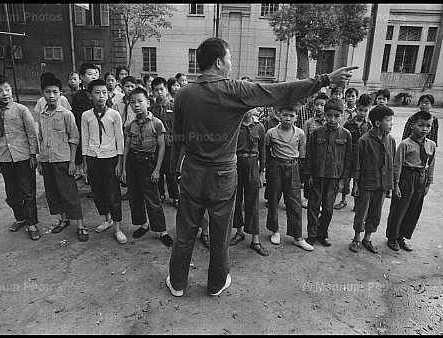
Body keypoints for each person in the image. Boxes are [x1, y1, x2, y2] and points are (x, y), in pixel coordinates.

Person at [166, 37, 357, 297]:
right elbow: (280, 91)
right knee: (221, 231)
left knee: (186, 229)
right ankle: (216, 283)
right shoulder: (235, 90)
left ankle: (177, 283)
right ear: (219, 62)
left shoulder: (184, 93)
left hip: (192, 171)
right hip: (223, 173)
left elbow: (177, 137)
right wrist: (325, 80)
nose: (231, 64)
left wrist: (176, 169)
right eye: (230, 58)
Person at [0, 73, 40, 240]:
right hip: (4, 158)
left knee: (27, 192)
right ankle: (21, 217)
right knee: (12, 195)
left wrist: (33, 155)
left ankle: (32, 224)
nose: (5, 93)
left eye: (7, 89)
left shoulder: (21, 109)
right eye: (0, 90)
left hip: (23, 157)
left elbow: (32, 133)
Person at [36, 76, 89, 242]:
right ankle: (64, 219)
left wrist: (73, 162)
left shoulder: (67, 114)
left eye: (55, 92)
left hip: (64, 160)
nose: (51, 95)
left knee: (70, 193)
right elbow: (42, 138)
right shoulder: (42, 115)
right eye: (48, 92)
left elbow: (74, 139)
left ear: (60, 94)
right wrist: (40, 159)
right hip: (47, 159)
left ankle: (81, 225)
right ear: (42, 93)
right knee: (53, 193)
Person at [121, 87, 174, 247]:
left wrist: (157, 169)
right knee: (135, 198)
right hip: (133, 163)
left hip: (149, 163)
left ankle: (162, 231)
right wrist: (123, 168)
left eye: (140, 101)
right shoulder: (130, 125)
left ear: (148, 103)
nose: (136, 105)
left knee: (153, 199)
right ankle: (144, 224)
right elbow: (127, 147)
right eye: (132, 102)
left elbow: (162, 147)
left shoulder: (157, 123)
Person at [81, 79, 126, 244]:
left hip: (110, 158)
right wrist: (85, 162)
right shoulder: (86, 116)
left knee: (113, 193)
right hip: (93, 158)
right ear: (90, 95)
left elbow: (120, 139)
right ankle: (107, 219)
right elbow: (84, 138)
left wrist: (120, 163)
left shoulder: (114, 115)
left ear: (108, 95)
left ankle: (118, 228)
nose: (101, 96)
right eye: (97, 93)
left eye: (104, 93)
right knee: (98, 192)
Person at [305, 97, 352, 248]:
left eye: (336, 116)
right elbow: (309, 155)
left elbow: (348, 158)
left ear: (342, 115)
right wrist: (309, 175)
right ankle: (312, 234)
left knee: (328, 208)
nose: (332, 119)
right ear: (324, 115)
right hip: (317, 175)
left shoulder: (346, 135)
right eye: (329, 115)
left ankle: (322, 233)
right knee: (313, 206)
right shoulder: (316, 133)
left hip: (334, 177)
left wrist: (344, 179)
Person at [386, 111, 436, 252]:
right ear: (412, 125)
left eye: (428, 126)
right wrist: (395, 185)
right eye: (421, 125)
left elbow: (431, 165)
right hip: (406, 177)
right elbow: (397, 166)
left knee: (413, 209)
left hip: (421, 178)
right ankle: (392, 237)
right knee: (399, 208)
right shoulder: (405, 145)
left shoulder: (431, 145)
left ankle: (402, 237)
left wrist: (428, 183)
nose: (424, 129)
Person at [265, 106, 313, 251]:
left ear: (296, 117)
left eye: (291, 116)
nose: (288, 118)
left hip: (293, 167)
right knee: (273, 200)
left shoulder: (300, 133)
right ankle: (275, 231)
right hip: (276, 166)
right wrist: (268, 170)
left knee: (294, 203)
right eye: (285, 115)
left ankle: (297, 237)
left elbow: (303, 154)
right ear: (279, 115)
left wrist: (302, 174)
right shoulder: (271, 132)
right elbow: (266, 152)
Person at [349, 105, 395, 254]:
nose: (391, 123)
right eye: (388, 120)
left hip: (382, 185)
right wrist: (355, 184)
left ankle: (367, 238)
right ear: (377, 123)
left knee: (375, 213)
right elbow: (356, 165)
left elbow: (391, 164)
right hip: (366, 184)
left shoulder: (391, 141)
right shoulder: (364, 141)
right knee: (362, 212)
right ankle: (356, 238)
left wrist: (390, 185)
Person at [229, 107, 269, 256]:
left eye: (250, 106)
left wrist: (261, 173)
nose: (246, 110)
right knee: (236, 200)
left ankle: (255, 240)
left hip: (253, 163)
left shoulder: (259, 127)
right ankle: (239, 232)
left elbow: (263, 151)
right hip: (236, 164)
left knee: (253, 203)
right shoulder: (235, 125)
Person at [335, 93, 373, 211]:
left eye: (365, 111)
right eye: (360, 110)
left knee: (359, 180)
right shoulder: (349, 123)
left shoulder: (369, 125)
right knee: (345, 178)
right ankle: (343, 200)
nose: (362, 113)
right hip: (350, 155)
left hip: (362, 157)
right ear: (356, 108)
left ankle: (357, 202)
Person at [150, 77, 180, 207]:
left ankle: (175, 196)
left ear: (166, 90)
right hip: (156, 145)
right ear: (152, 92)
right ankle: (160, 193)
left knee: (171, 172)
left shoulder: (173, 106)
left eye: (162, 89)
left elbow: (178, 125)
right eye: (156, 90)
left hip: (170, 145)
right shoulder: (151, 109)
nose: (159, 92)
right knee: (158, 171)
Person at [71, 63, 99, 190]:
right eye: (90, 74)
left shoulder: (101, 93)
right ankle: (91, 180)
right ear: (82, 77)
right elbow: (77, 117)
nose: (93, 76)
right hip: (84, 132)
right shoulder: (78, 96)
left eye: (96, 74)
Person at [112, 75, 137, 201]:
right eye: (127, 86)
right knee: (122, 162)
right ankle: (124, 184)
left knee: (132, 163)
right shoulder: (117, 105)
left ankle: (132, 189)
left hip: (134, 137)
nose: (130, 89)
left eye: (132, 86)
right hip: (121, 135)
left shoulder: (136, 104)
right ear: (122, 88)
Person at [301, 93, 328, 209]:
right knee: (309, 177)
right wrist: (303, 156)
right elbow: (303, 141)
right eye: (317, 104)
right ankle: (307, 198)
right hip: (311, 155)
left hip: (325, 156)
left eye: (322, 105)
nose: (319, 107)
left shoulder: (329, 123)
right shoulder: (309, 123)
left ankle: (320, 200)